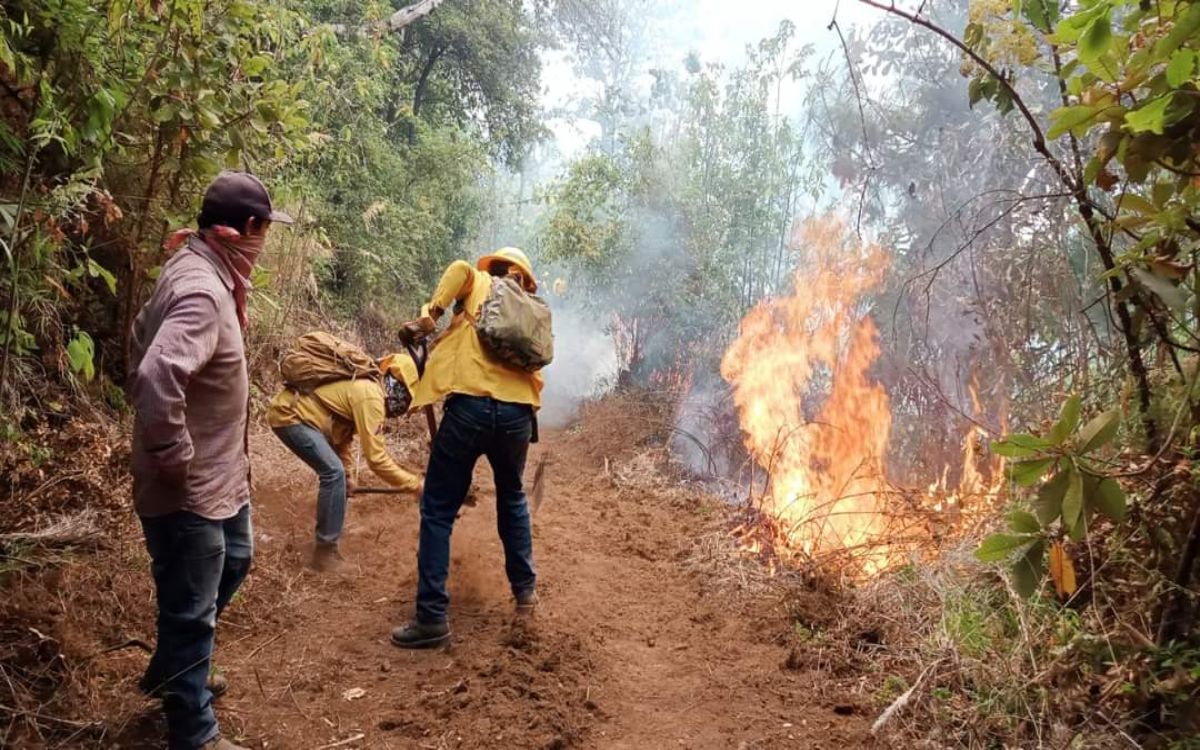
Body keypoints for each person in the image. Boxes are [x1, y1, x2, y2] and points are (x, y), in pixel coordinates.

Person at [129, 172, 292, 750]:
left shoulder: (208, 272)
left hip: (221, 476)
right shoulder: (201, 289)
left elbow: (139, 337)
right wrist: (173, 455)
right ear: (248, 228)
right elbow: (156, 374)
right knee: (193, 605)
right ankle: (194, 729)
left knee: (237, 559)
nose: (267, 240)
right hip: (190, 484)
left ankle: (173, 668)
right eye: (267, 230)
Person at [391, 247, 543, 649]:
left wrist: (432, 312)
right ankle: (526, 595)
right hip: (516, 416)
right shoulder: (529, 310)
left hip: (471, 405)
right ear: (525, 278)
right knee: (512, 498)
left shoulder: (479, 282)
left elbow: (458, 267)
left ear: (492, 268)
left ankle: (431, 618)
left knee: (438, 507)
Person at [266, 352, 424, 573]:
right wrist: (415, 484)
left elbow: (341, 436)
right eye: (408, 399)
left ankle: (328, 541)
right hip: (291, 416)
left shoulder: (366, 389)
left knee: (339, 474)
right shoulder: (372, 396)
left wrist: (349, 474)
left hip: (295, 415)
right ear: (399, 387)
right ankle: (325, 555)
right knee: (333, 473)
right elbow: (376, 459)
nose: (404, 408)